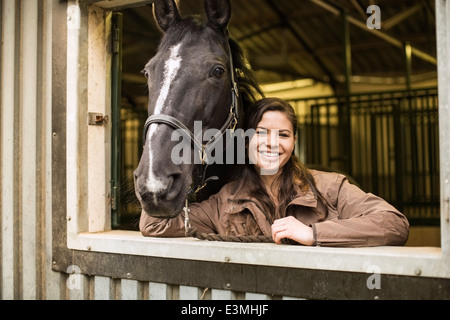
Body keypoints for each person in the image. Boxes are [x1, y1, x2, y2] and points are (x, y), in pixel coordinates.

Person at [140, 97, 409, 247]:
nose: (272, 143)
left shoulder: (329, 187)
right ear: (244, 141)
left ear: (293, 142)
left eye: (283, 134)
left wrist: (314, 234)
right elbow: (155, 224)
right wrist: (162, 159)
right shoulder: (224, 201)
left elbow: (394, 224)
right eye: (261, 133)